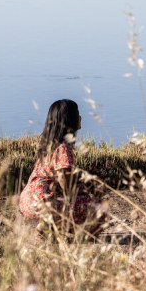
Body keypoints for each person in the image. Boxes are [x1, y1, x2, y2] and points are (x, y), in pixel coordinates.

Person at [19, 99, 105, 236]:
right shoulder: (63, 148)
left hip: (27, 201)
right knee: (99, 206)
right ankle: (49, 227)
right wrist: (83, 194)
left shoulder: (48, 147)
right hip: (44, 203)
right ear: (69, 119)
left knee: (83, 199)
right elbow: (65, 183)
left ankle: (50, 227)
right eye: (77, 113)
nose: (81, 117)